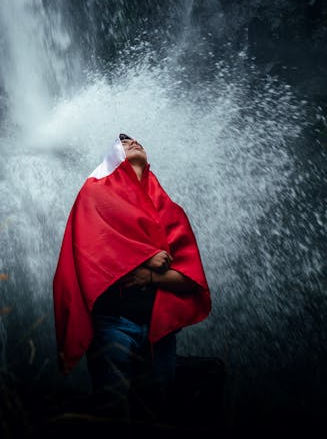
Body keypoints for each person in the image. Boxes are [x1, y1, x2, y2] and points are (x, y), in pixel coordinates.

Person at [52, 133, 211, 429]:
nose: (132, 141)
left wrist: (150, 275)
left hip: (159, 333)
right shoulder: (93, 195)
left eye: (136, 140)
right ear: (113, 157)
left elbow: (191, 279)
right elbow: (88, 254)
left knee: (155, 413)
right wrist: (147, 258)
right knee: (111, 410)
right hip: (114, 324)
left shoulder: (168, 210)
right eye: (123, 142)